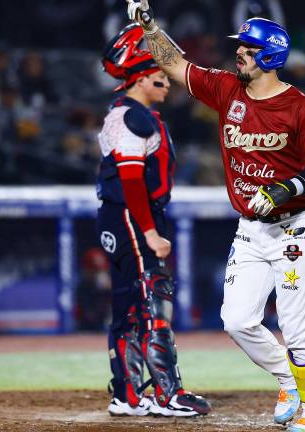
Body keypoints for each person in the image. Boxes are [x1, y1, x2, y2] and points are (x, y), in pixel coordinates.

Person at [126, 2, 305, 431]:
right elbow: (174, 62)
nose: (239, 52)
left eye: (248, 48)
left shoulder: (299, 107)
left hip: (296, 226)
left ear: (270, 56)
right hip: (251, 228)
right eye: (240, 46)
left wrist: (281, 190)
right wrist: (148, 25)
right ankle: (286, 378)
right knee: (236, 320)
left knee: (296, 326)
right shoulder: (227, 89)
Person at [95, 23, 210, 418]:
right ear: (141, 78)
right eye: (159, 77)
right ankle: (168, 394)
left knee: (128, 304)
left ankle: (126, 395)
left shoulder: (127, 114)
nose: (166, 82)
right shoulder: (133, 118)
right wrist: (149, 231)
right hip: (133, 217)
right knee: (152, 298)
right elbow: (131, 183)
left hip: (118, 217)